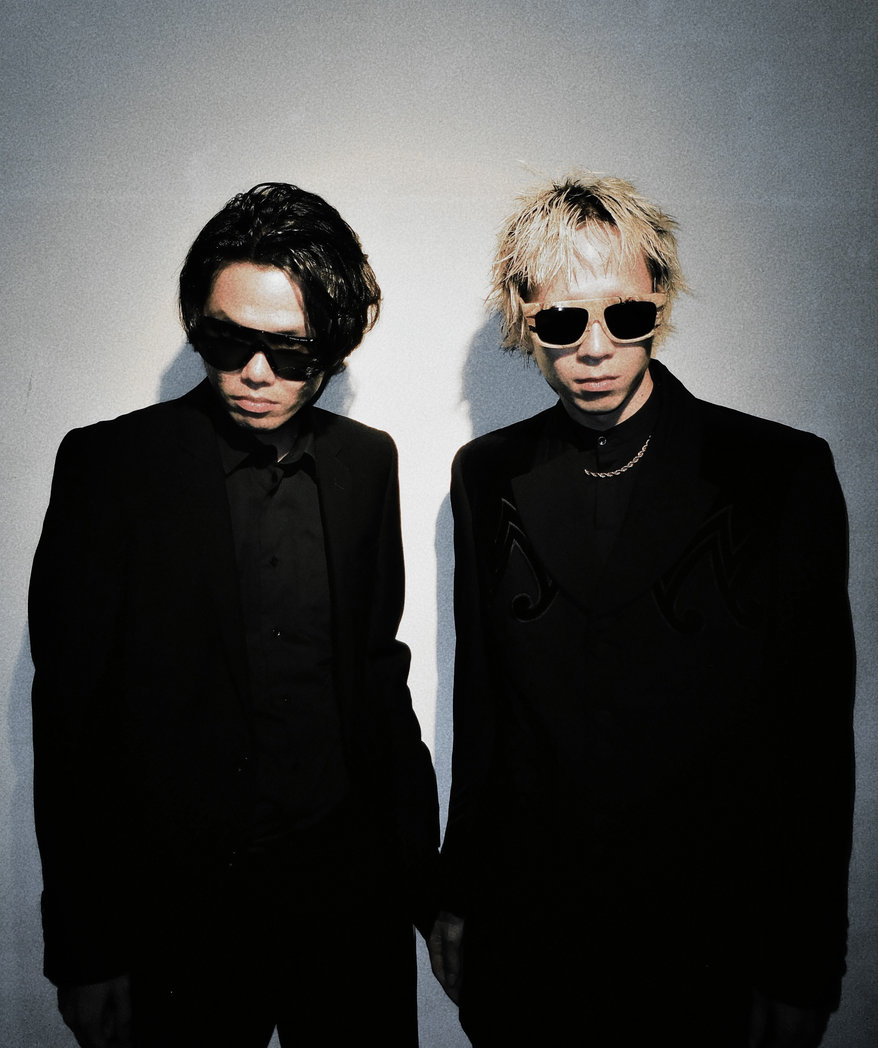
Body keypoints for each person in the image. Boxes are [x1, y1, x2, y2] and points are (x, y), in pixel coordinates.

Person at [428, 173, 855, 1048]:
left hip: (705, 949)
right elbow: (484, 709)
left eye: (624, 316)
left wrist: (804, 964)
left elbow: (813, 744)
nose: (594, 348)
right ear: (524, 318)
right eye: (562, 321)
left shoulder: (775, 472)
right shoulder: (487, 474)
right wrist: (458, 894)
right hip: (531, 944)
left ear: (661, 300)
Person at [30, 182, 439, 1048]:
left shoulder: (367, 464)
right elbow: (70, 722)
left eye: (288, 352)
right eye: (226, 340)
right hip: (183, 924)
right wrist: (84, 948)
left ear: (332, 346)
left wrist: (429, 891)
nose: (254, 373)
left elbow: (378, 681)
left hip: (349, 908)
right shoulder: (111, 466)